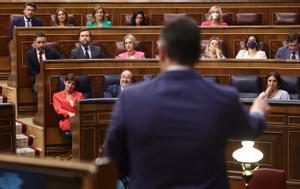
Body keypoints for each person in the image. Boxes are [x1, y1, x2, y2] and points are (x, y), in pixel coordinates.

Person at [104, 16, 269, 189]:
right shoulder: (224, 97)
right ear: (199, 53)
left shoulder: (131, 98)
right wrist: (257, 110)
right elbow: (250, 130)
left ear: (161, 52)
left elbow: (113, 165)